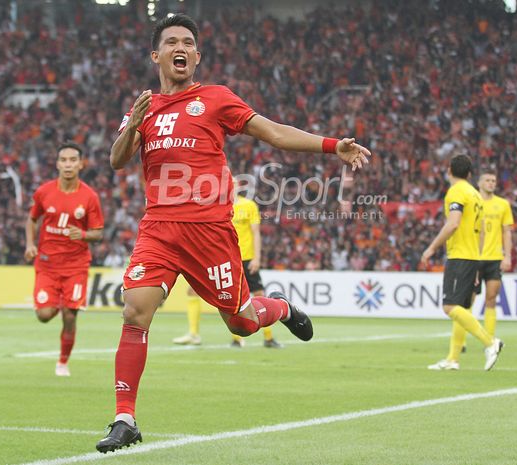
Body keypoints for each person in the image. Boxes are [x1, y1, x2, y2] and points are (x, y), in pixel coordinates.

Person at [96, 14, 370, 453]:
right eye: (171, 42)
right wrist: (132, 125)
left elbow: (274, 133)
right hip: (160, 229)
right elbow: (117, 160)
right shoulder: (142, 108)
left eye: (188, 42)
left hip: (209, 232)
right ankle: (125, 417)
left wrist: (330, 144)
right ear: (157, 55)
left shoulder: (216, 99)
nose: (180, 48)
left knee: (241, 323)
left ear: (197, 56)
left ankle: (278, 307)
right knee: (135, 311)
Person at [24, 142, 104, 377]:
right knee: (44, 316)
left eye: (73, 160)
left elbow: (98, 232)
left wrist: (85, 235)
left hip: (76, 265)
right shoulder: (44, 192)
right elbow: (31, 219)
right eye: (64, 160)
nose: (68, 164)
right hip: (47, 264)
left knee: (70, 316)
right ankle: (59, 301)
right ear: (58, 164)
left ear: (80, 164)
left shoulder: (89, 196)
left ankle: (62, 362)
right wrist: (30, 244)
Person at [173, 180, 282, 348]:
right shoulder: (216, 205)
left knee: (258, 293)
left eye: (234, 183)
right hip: (223, 258)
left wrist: (257, 258)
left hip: (245, 257)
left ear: (238, 187)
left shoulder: (248, 205)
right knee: (201, 291)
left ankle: (268, 337)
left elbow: (256, 233)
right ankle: (202, 335)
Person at [421, 155, 503, 371]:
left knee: (450, 306)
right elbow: (483, 230)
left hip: (460, 256)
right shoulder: (476, 195)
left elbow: (453, 224)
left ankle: (490, 342)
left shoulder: (457, 192)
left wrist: (432, 247)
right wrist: (478, 258)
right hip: (474, 256)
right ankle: (453, 359)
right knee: (463, 306)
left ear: (449, 170)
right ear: (469, 174)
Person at [457, 169, 514, 356]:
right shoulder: (473, 202)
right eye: (488, 180)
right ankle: (461, 341)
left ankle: (489, 342)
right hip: (473, 257)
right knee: (467, 301)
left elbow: (507, 232)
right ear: (479, 183)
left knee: (491, 299)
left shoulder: (503, 204)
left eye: (494, 180)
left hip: (494, 258)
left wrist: (507, 256)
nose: (491, 183)